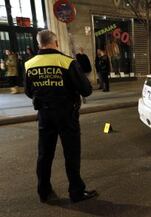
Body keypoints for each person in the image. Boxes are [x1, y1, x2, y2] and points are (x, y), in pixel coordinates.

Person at [24, 30, 97, 203]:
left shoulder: (30, 64)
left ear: (39, 43)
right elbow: (86, 90)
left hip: (44, 114)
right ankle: (76, 192)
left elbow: (28, 92)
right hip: (66, 114)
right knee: (71, 154)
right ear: (56, 43)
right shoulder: (66, 62)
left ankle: (44, 191)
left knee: (44, 154)